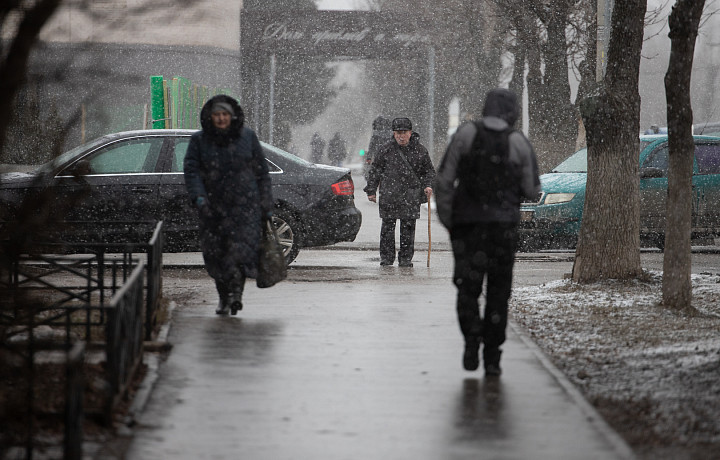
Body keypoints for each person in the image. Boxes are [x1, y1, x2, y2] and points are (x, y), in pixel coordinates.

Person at [435, 88, 540, 375]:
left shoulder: (465, 135)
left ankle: (471, 341)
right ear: (512, 112)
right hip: (503, 230)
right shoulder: (518, 142)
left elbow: (444, 180)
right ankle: (492, 356)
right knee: (498, 292)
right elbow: (532, 189)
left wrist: (451, 221)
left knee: (467, 289)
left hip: (468, 228)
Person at [184, 94, 274, 315]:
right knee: (217, 255)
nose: (221, 119)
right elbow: (192, 171)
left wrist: (265, 202)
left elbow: (262, 173)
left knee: (240, 254)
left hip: (245, 208)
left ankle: (235, 296)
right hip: (213, 209)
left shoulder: (248, 137)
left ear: (232, 116)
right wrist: (200, 198)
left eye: (225, 114)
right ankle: (223, 296)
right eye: (217, 115)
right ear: (210, 117)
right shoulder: (199, 141)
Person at [364, 117, 435, 267]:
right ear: (393, 133)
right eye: (397, 133)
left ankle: (405, 259)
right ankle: (387, 258)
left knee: (408, 229)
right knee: (387, 229)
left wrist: (428, 185)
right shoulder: (385, 149)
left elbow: (428, 171)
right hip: (389, 195)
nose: (401, 136)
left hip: (411, 195)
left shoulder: (420, 150)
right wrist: (371, 190)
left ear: (410, 133)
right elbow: (375, 171)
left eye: (404, 132)